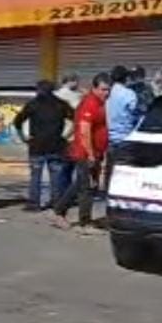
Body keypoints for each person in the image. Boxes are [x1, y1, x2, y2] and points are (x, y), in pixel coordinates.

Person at [50, 72, 112, 231]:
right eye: (103, 89)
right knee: (87, 188)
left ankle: (58, 212)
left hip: (96, 152)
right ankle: (85, 222)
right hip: (85, 153)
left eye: (108, 90)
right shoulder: (90, 103)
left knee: (80, 185)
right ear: (95, 88)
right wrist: (91, 154)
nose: (106, 93)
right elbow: (84, 131)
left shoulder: (100, 102)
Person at [13, 80, 74, 211]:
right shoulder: (61, 104)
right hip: (56, 145)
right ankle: (57, 203)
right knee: (56, 177)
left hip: (37, 146)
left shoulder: (33, 104)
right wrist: (66, 136)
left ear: (38, 90)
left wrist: (23, 137)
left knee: (35, 176)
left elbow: (17, 121)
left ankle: (34, 204)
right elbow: (76, 119)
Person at [105, 65, 139, 191]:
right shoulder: (129, 94)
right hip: (124, 137)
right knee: (123, 171)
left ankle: (108, 194)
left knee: (110, 168)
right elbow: (135, 113)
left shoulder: (106, 93)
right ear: (126, 79)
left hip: (108, 138)